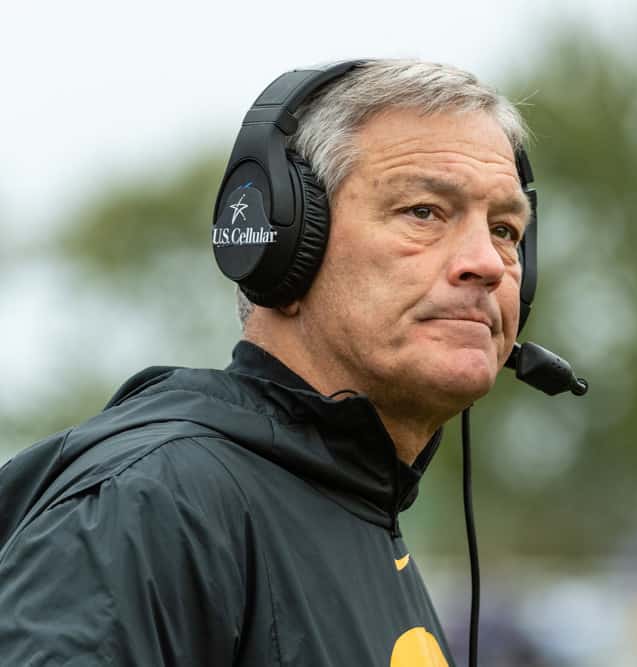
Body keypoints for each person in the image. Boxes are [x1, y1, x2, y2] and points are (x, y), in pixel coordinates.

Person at [0, 59, 536, 665]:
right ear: (285, 244)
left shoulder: (354, 507)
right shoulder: (152, 505)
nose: (488, 263)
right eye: (423, 212)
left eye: (505, 229)